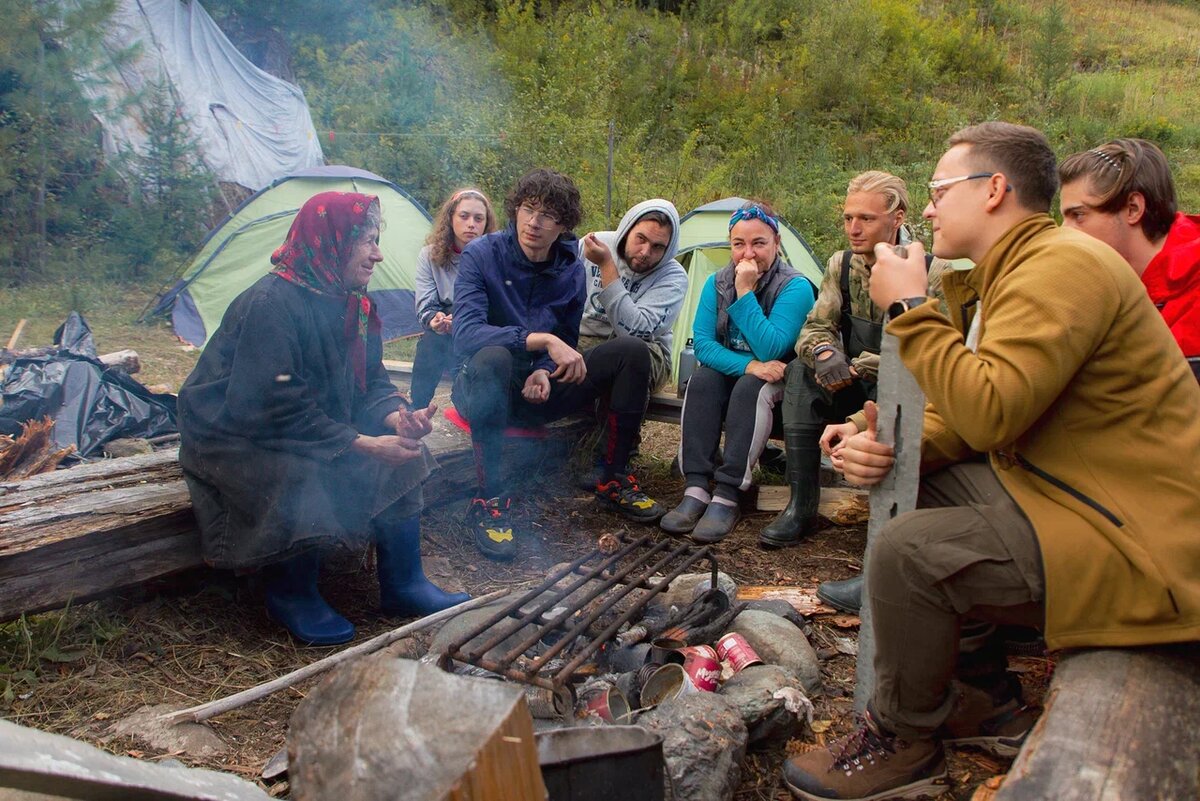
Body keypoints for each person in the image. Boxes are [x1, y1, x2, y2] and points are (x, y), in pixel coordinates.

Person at [781, 122, 1200, 801]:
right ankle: (982, 699)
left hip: (1137, 544)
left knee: (909, 552)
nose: (928, 208)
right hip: (1083, 501)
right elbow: (988, 413)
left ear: (996, 189)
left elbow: (989, 411)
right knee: (917, 476)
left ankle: (903, 739)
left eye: (941, 190)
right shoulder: (1021, 271)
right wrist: (882, 438)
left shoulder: (1061, 268)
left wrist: (908, 307)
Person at [178, 192, 471, 647]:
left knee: (406, 453)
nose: (377, 253)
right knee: (307, 469)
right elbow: (270, 406)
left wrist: (396, 418)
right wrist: (360, 442)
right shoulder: (270, 304)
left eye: (377, 241)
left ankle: (403, 582)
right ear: (331, 241)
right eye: (368, 241)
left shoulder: (354, 303)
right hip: (234, 434)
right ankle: (292, 591)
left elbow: (371, 381)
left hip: (305, 419)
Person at [452, 169, 665, 562]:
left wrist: (544, 367)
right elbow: (466, 333)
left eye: (548, 215)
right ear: (515, 209)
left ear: (564, 224)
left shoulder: (569, 266)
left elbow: (565, 338)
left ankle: (612, 476)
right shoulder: (481, 255)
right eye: (528, 209)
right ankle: (491, 500)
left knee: (630, 351)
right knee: (493, 356)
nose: (534, 222)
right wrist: (540, 342)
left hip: (538, 388)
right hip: (482, 387)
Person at [760, 171, 950, 552]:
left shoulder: (934, 271)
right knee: (800, 371)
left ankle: (891, 523)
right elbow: (815, 327)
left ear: (897, 218)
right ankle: (802, 506)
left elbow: (932, 355)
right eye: (848, 218)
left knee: (901, 385)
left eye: (866, 218)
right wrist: (825, 354)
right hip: (848, 385)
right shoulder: (841, 265)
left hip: (900, 392)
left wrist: (860, 364)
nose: (854, 228)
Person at [660, 200, 816, 543]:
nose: (749, 253)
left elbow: (772, 349)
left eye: (759, 243)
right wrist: (747, 364)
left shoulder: (795, 287)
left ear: (776, 243)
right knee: (702, 379)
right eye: (738, 244)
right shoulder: (716, 283)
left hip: (782, 383)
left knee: (751, 386)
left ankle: (730, 492)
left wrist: (745, 291)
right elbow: (703, 344)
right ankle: (697, 487)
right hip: (747, 370)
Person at [576, 199, 689, 481]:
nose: (646, 252)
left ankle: (615, 459)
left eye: (658, 247)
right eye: (641, 239)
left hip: (646, 350)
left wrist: (606, 267)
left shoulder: (673, 276)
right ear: (627, 229)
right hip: (582, 338)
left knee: (630, 354)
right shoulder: (592, 244)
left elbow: (635, 331)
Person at [1059, 138, 1200, 362]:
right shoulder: (1105, 284)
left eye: (1078, 215)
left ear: (1133, 209)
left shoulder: (1192, 296)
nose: (1063, 232)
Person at [410, 188, 498, 408]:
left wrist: (464, 322)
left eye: (479, 219)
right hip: (444, 326)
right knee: (431, 342)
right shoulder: (430, 256)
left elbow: (497, 304)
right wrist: (434, 319)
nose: (471, 224)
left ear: (486, 224)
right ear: (451, 218)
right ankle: (418, 408)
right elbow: (425, 299)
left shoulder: (495, 257)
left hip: (481, 327)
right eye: (464, 216)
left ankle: (464, 401)